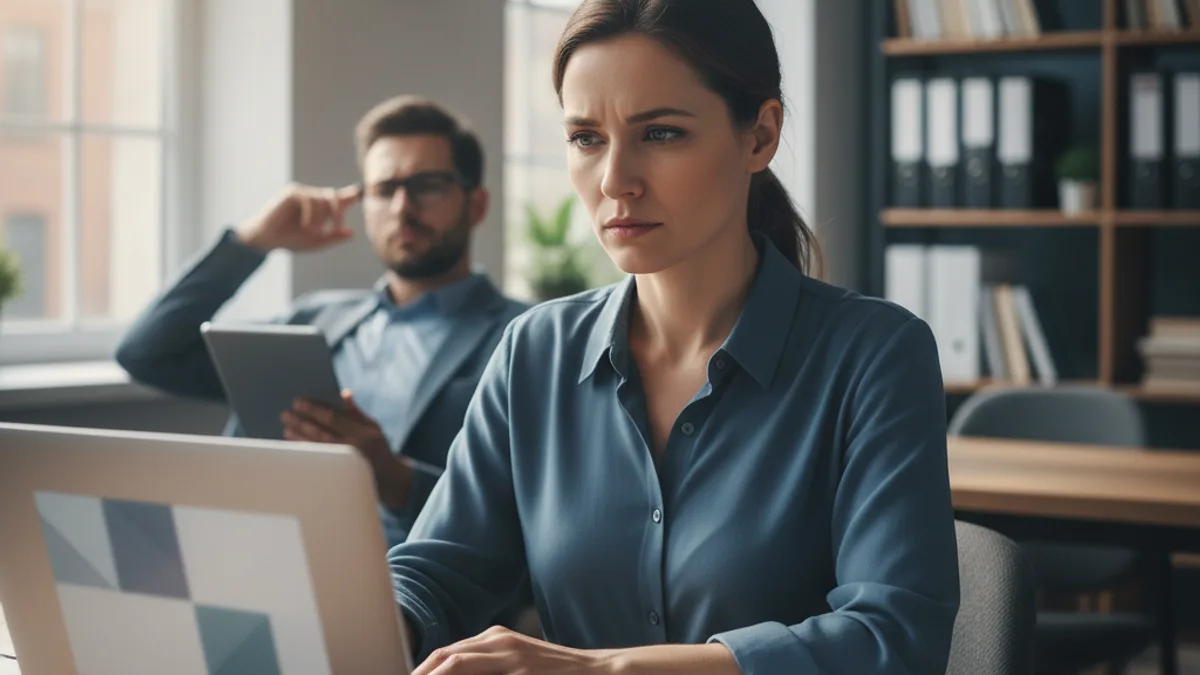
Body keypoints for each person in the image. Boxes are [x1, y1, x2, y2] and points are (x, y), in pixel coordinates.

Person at [387, 0, 962, 673]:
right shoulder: (532, 353)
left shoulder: (874, 355)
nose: (614, 181)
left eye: (659, 134)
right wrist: (363, 620)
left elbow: (893, 636)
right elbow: (438, 572)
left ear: (760, 136)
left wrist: (602, 670)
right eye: (586, 138)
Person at [115, 96, 530, 548]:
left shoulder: (526, 338)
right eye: (384, 189)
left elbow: (528, 517)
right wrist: (252, 242)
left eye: (427, 186)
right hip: (263, 559)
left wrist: (394, 478)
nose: (402, 208)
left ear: (477, 205)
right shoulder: (314, 319)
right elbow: (148, 354)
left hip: (412, 589)